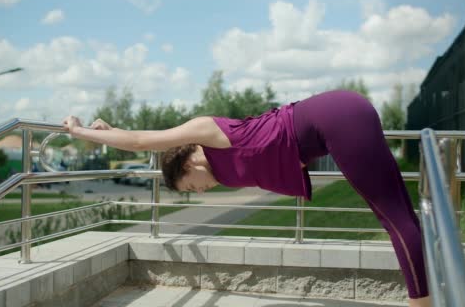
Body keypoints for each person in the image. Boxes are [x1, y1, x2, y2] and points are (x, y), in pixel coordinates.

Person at [62, 90, 431, 307]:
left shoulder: (204, 131)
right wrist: (114, 131)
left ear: (188, 159)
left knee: (394, 220)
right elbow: (142, 140)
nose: (201, 192)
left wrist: (82, 133)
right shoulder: (221, 169)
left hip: (338, 115)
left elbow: (145, 141)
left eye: (191, 186)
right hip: (335, 121)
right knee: (402, 217)